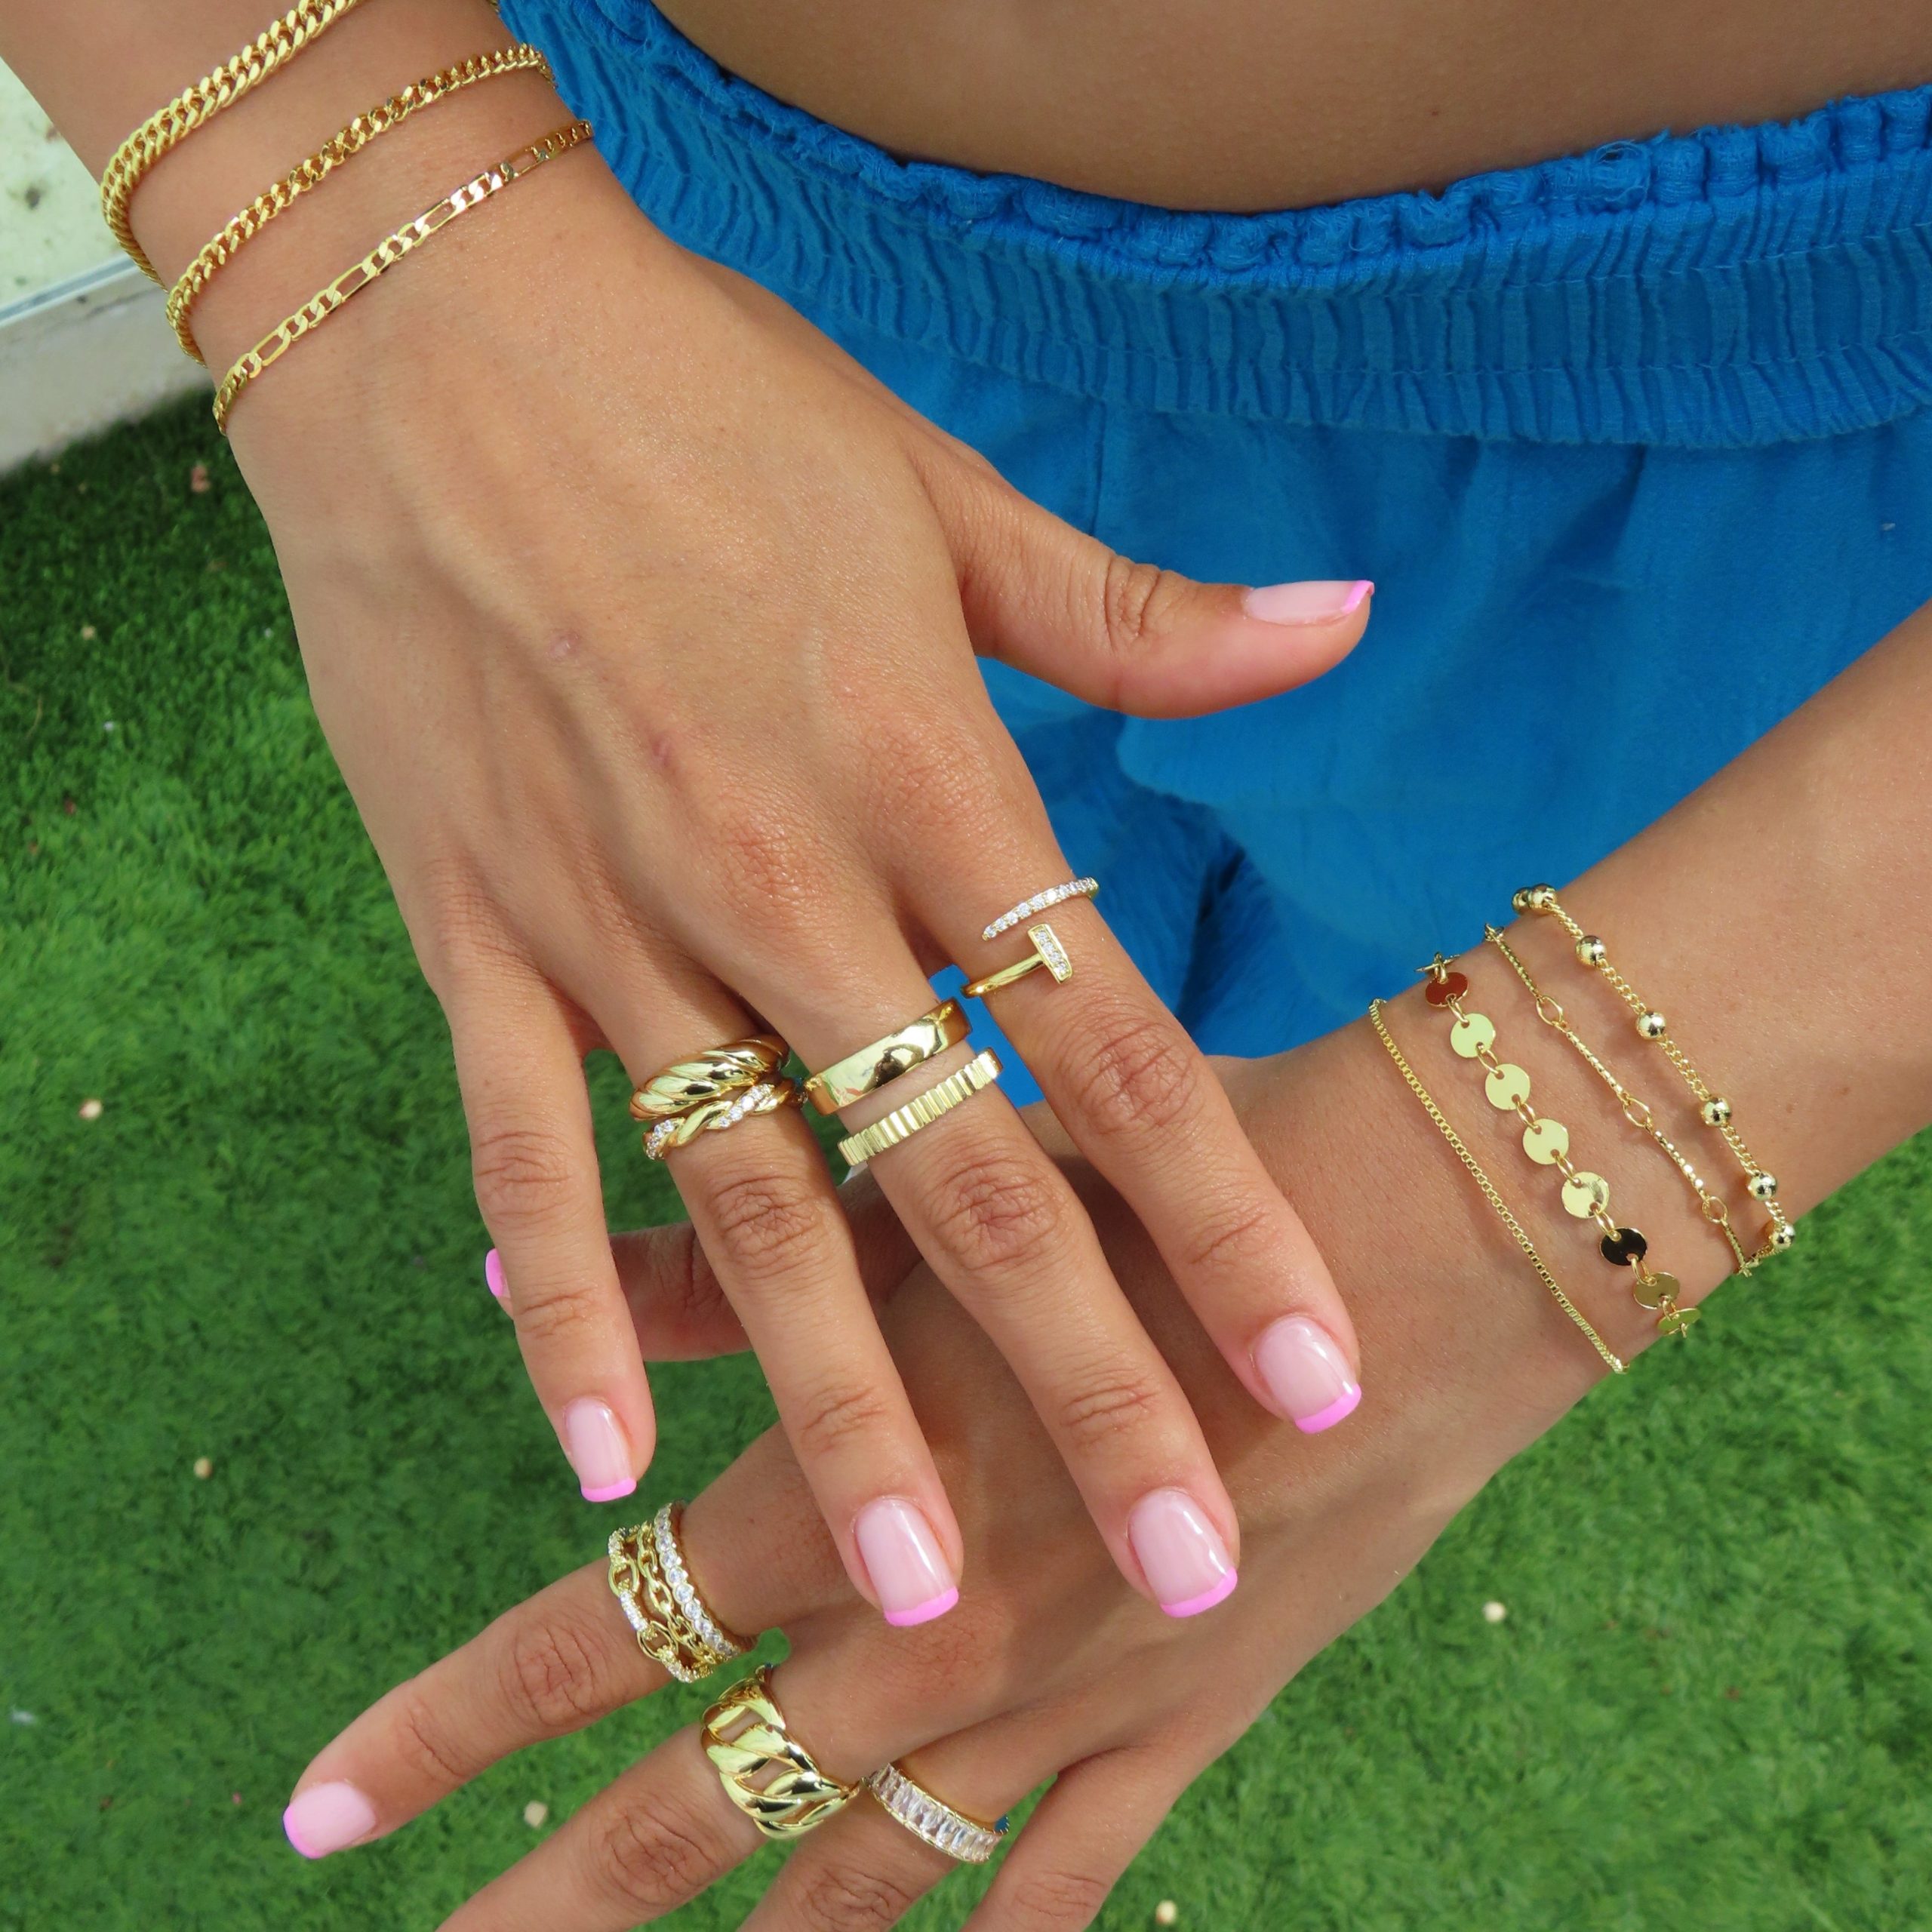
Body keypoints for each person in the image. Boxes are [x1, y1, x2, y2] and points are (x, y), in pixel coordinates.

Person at [5, 0, 1927, 1918]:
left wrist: (1499, 1178)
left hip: (1690, 421)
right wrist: (346, 222)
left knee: (1358, 959)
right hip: (659, 214)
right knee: (885, 973)